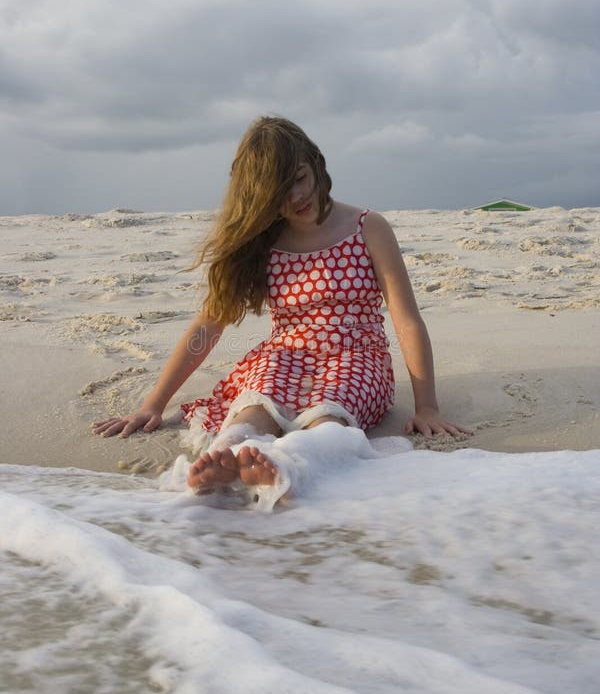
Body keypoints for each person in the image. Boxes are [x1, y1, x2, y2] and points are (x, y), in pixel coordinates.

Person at [93, 116, 471, 496]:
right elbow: (208, 326)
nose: (295, 198)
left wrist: (427, 407)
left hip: (357, 356)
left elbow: (406, 322)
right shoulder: (262, 242)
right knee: (255, 408)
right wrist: (153, 405)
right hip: (285, 354)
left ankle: (291, 467)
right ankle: (229, 461)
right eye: (278, 193)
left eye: (299, 179)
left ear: (315, 162)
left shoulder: (368, 227)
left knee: (327, 415)